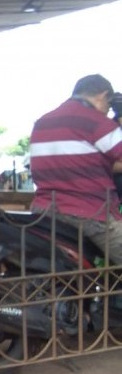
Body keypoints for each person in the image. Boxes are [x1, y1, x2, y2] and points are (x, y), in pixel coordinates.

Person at [30, 74, 122, 264]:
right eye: (108, 106)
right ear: (103, 96)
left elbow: (78, 161)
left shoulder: (43, 122)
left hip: (45, 211)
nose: (106, 112)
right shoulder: (96, 121)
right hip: (89, 212)